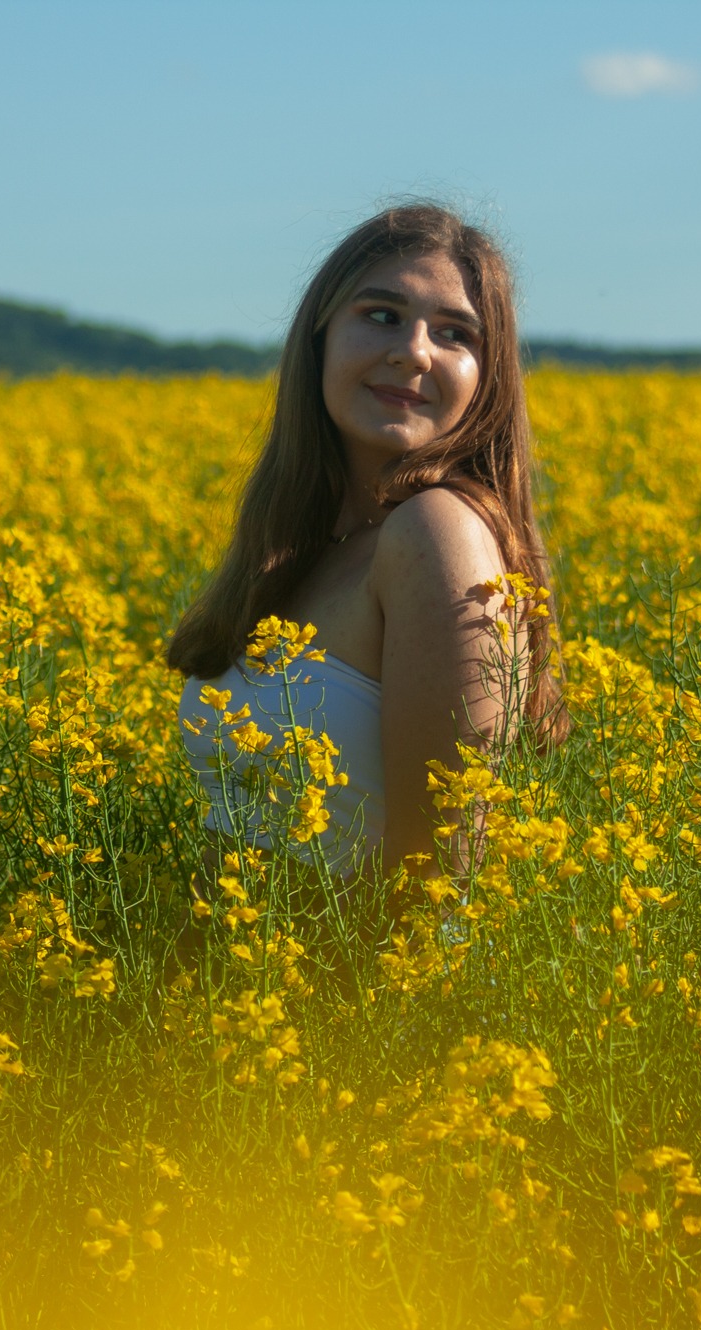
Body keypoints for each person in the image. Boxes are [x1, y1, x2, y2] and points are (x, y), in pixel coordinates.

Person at [167, 202, 563, 881]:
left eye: (454, 334)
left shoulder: (437, 532)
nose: (412, 351)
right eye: (381, 314)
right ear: (320, 336)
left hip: (343, 985)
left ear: (485, 377)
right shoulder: (310, 544)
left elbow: (436, 883)